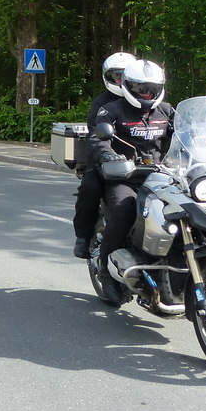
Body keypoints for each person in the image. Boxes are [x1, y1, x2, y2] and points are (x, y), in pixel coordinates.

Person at [87, 59, 176, 301]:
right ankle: (106, 270)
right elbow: (97, 138)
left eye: (151, 88)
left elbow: (188, 133)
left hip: (162, 177)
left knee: (185, 211)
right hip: (124, 178)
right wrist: (109, 154)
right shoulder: (111, 110)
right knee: (125, 211)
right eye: (140, 87)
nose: (146, 93)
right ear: (127, 85)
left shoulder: (167, 110)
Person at [72, 52, 136, 259]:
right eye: (116, 76)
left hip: (141, 163)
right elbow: (95, 134)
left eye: (124, 76)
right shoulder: (102, 103)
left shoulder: (150, 102)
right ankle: (83, 236)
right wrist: (108, 156)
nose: (120, 81)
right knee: (90, 187)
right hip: (106, 160)